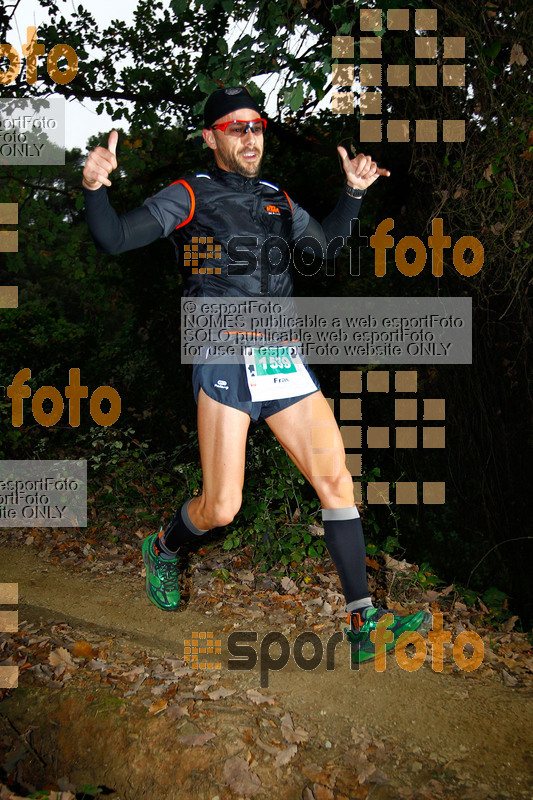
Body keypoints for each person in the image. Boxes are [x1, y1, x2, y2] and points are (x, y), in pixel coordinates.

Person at [82, 86, 431, 664]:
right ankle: (166, 545)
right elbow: (114, 238)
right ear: (212, 137)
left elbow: (325, 250)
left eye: (257, 125)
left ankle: (362, 621)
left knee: (337, 481)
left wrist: (352, 194)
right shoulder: (190, 193)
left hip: (281, 358)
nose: (250, 136)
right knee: (222, 507)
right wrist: (94, 187)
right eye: (236, 126)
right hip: (221, 351)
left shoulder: (277, 199)